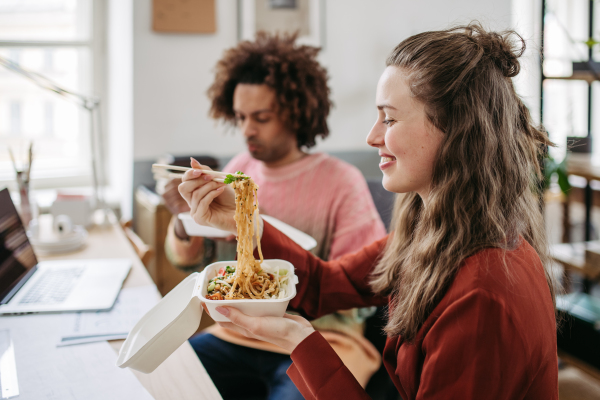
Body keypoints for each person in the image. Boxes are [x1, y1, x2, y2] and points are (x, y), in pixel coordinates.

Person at [179, 23, 560, 400]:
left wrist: (301, 341)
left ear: (456, 130)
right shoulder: (437, 234)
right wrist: (242, 223)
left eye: (390, 118)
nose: (372, 136)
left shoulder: (482, 295)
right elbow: (324, 284)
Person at [162, 32, 387, 399]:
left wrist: (264, 230)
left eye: (261, 117)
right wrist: (183, 221)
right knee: (171, 379)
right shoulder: (238, 170)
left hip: (322, 340)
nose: (248, 130)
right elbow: (199, 263)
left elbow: (358, 283)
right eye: (240, 117)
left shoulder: (340, 181)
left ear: (296, 112)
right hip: (238, 333)